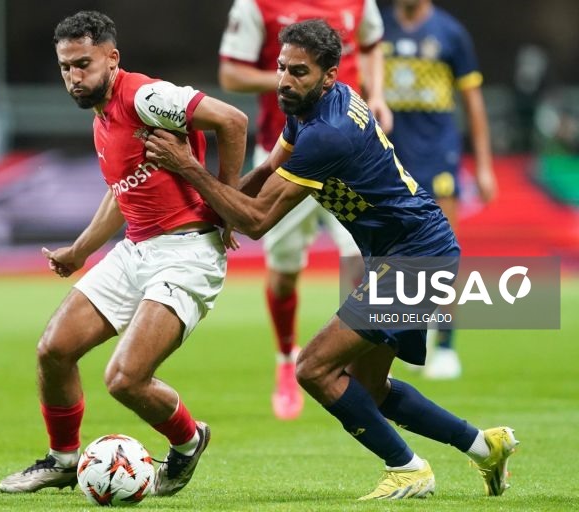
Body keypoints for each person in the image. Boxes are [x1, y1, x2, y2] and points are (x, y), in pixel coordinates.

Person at [144, 19, 517, 500]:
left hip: (416, 257)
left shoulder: (329, 134)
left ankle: (407, 468)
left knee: (313, 368)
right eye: (281, 67)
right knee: (370, 387)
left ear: (330, 75)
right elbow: (268, 170)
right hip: (407, 252)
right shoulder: (309, 108)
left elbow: (258, 221)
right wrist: (220, 211)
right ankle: (485, 446)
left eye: (298, 71)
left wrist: (188, 168)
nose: (284, 80)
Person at [0, 11, 247, 497]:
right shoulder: (103, 118)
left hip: (187, 255)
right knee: (54, 350)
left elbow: (232, 121)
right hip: (136, 250)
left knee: (125, 379)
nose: (74, 76)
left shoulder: (145, 97)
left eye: (83, 64)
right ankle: (63, 460)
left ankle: (189, 440)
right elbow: (122, 193)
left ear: (112, 58)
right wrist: (80, 251)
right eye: (66, 67)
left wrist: (228, 202)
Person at [218, 0, 392, 419]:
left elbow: (372, 45)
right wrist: (296, 75)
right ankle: (285, 358)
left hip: (346, 153)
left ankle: (355, 361)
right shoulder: (257, 5)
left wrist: (378, 95)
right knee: (283, 275)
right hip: (286, 148)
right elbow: (231, 75)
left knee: (363, 263)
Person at [381, 0, 497, 379]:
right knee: (390, 255)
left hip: (437, 157)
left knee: (442, 253)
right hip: (388, 158)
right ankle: (394, 340)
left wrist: (483, 165)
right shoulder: (378, 28)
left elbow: (473, 103)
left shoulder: (450, 33)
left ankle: (445, 345)